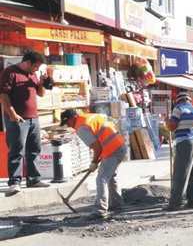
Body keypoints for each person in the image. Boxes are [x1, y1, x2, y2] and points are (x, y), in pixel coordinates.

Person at [0, 51, 53, 196]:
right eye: (36, 66)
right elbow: (3, 95)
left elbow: (40, 93)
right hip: (17, 118)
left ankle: (33, 179)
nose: (37, 69)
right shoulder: (10, 73)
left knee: (34, 149)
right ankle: (14, 182)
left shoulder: (33, 75)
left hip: (33, 118)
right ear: (28, 62)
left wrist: (42, 83)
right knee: (16, 150)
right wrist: (13, 114)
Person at [60, 109, 127, 219]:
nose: (69, 126)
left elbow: (97, 147)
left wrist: (94, 162)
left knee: (101, 179)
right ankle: (117, 204)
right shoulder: (89, 117)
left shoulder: (81, 127)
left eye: (68, 123)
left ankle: (100, 210)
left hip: (112, 149)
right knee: (110, 176)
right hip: (119, 145)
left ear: (72, 118)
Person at [165, 93, 193, 211]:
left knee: (180, 174)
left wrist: (167, 122)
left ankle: (175, 203)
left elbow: (172, 126)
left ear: (178, 101)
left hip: (186, 143)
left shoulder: (179, 109)